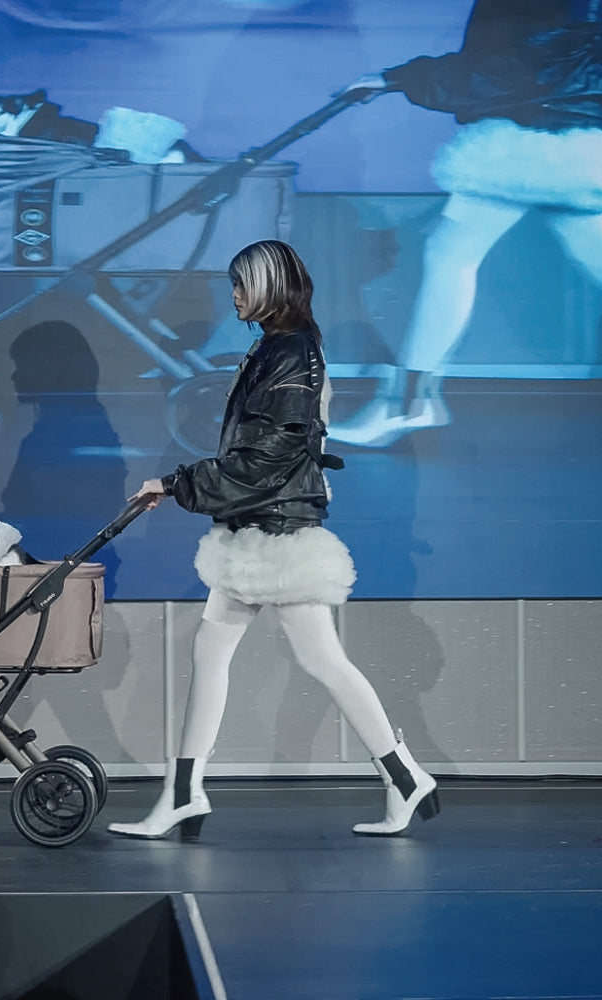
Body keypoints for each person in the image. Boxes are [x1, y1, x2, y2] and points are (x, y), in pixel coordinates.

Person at [106, 239, 439, 841]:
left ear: (268, 286)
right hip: (262, 522)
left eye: (241, 284)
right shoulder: (277, 347)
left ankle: (405, 776)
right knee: (218, 652)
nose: (233, 295)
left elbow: (268, 455)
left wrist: (177, 483)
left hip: (275, 530)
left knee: (318, 660)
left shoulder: (290, 352)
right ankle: (184, 793)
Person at [328, 0, 602, 447]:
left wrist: (398, 79)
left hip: (538, 136)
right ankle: (409, 402)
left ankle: (408, 404)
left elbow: (511, 63)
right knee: (456, 254)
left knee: (451, 255)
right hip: (554, 129)